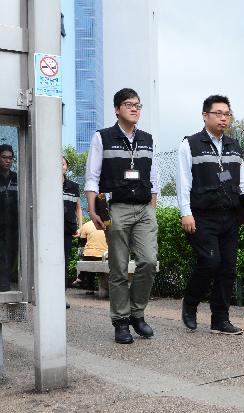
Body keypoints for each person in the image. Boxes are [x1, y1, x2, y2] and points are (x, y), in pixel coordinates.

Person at [84, 88, 158, 344]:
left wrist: (152, 208)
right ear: (117, 109)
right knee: (118, 267)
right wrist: (93, 209)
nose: (135, 108)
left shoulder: (147, 139)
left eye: (138, 105)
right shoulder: (102, 137)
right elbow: (92, 177)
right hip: (116, 208)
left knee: (148, 261)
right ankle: (121, 321)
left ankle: (137, 313)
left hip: (144, 208)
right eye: (129, 104)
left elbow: (154, 178)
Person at [176, 94, 244, 335]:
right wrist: (185, 213)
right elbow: (182, 182)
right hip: (202, 216)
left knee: (228, 267)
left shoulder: (233, 146)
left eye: (227, 114)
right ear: (205, 115)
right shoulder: (190, 144)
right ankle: (190, 302)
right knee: (210, 262)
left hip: (230, 216)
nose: (223, 118)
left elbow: (243, 182)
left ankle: (220, 320)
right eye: (218, 113)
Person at [0, 144, 19, 291]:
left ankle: (5, 289)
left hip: (14, 231)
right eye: (4, 157)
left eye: (10, 158)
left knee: (11, 261)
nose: (7, 161)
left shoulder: (17, 178)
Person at [62, 156, 83, 308]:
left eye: (62, 164)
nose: (59, 166)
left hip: (67, 230)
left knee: (63, 262)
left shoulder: (74, 186)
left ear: (66, 167)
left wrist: (81, 226)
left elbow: (78, 208)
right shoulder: (46, 184)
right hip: (49, 230)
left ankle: (61, 296)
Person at [72, 219, 107, 291]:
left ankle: (88, 287)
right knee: (90, 257)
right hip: (105, 255)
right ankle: (80, 278)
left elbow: (82, 242)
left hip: (89, 255)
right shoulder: (107, 224)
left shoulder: (87, 225)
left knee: (87, 257)